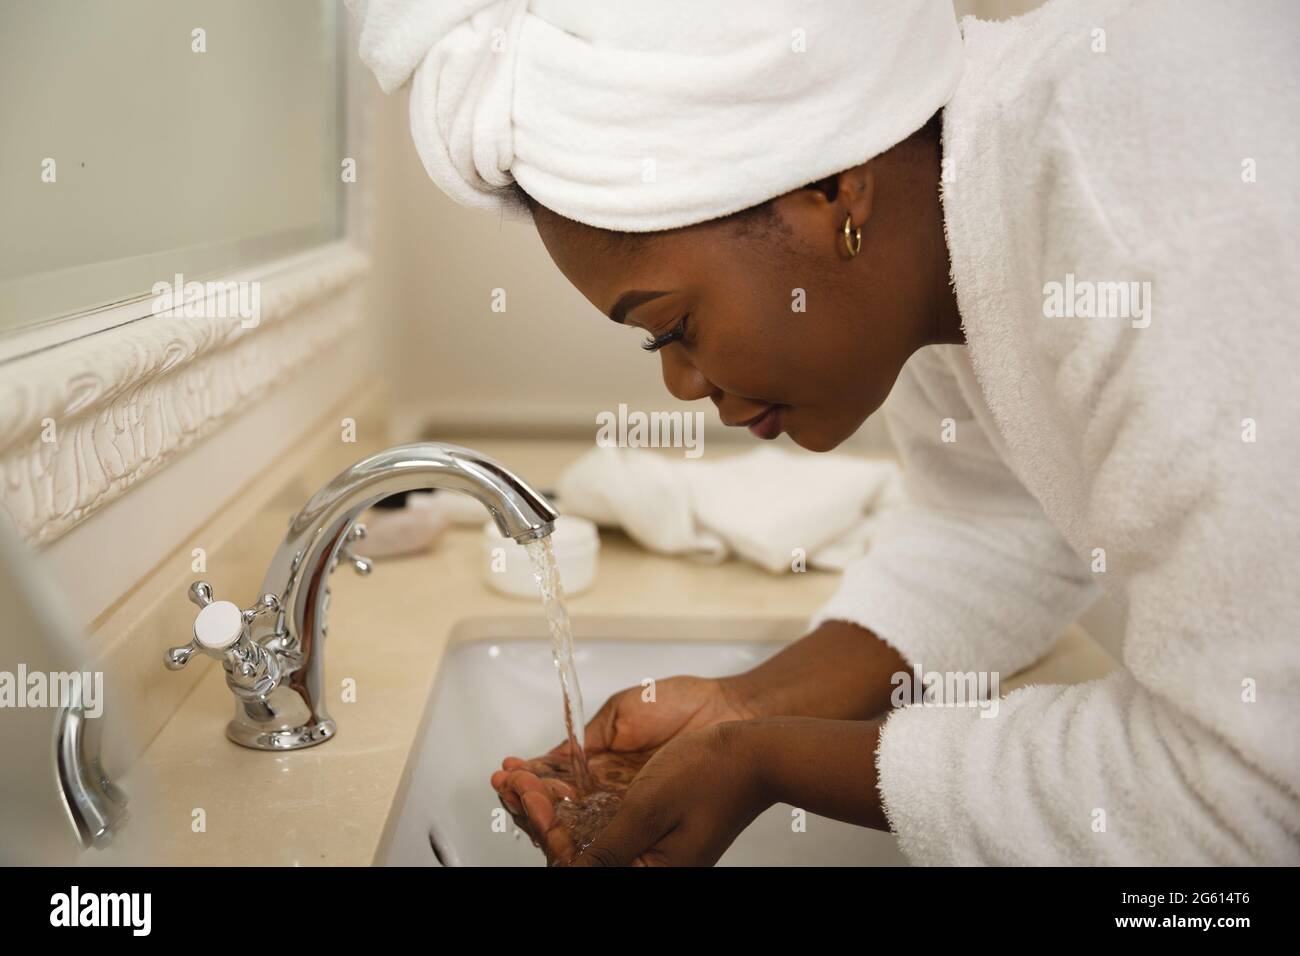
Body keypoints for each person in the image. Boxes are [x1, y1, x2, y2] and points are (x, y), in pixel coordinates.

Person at [350, 0, 1300, 865]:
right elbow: (996, 530)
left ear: (833, 188)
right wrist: (744, 709)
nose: (684, 385)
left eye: (674, 326)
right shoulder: (956, 237)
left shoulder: (1146, 192)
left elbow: (1247, 794)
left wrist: (773, 761)